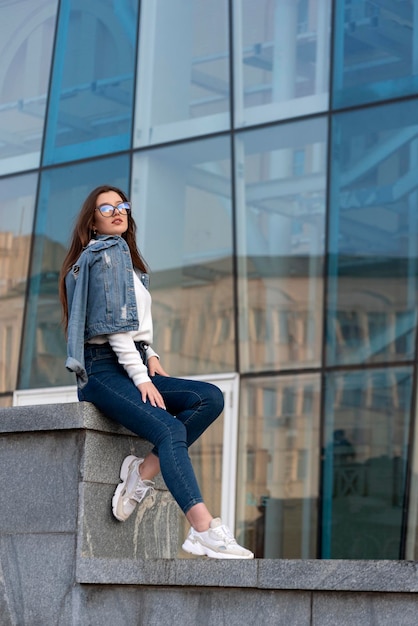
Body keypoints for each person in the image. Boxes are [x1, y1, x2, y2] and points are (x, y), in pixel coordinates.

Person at [59, 184, 253, 560]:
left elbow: (132, 325)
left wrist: (150, 354)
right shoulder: (104, 254)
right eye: (106, 208)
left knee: (209, 398)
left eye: (123, 205)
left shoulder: (126, 261)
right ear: (93, 223)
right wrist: (141, 377)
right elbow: (113, 329)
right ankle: (202, 529)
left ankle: (143, 471)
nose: (118, 211)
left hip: (130, 360)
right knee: (171, 427)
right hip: (103, 371)